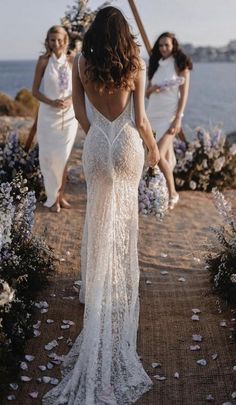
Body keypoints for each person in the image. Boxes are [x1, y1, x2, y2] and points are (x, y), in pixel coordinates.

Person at [42, 6, 159, 405]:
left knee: (96, 217)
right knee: (124, 222)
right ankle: (119, 290)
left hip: (95, 145)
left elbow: (78, 112)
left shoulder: (80, 61)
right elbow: (141, 119)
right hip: (126, 143)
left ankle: (93, 289)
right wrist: (153, 150)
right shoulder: (135, 63)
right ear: (124, 34)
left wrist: (98, 139)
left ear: (94, 33)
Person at [32, 25, 78, 213]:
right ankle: (52, 197)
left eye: (59, 39)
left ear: (65, 40)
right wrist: (51, 101)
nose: (56, 43)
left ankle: (60, 196)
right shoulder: (43, 61)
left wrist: (69, 100)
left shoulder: (73, 60)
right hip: (48, 115)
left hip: (68, 116)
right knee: (49, 157)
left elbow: (80, 89)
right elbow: (35, 91)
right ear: (48, 41)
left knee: (64, 155)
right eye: (53, 40)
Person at [146, 32, 192, 209]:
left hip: (169, 116)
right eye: (160, 45)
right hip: (152, 115)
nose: (163, 48)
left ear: (173, 45)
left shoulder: (181, 64)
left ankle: (173, 193)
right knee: (161, 156)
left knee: (157, 154)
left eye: (167, 45)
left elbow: (184, 96)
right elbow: (146, 93)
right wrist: (153, 89)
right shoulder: (155, 65)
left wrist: (178, 119)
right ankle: (163, 192)